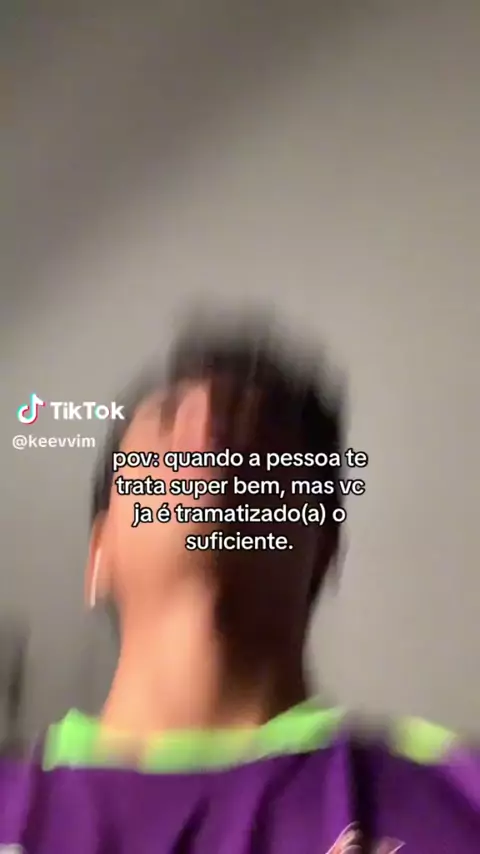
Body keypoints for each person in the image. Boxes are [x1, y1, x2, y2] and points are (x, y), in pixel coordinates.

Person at [1, 317, 479, 852]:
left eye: (263, 440)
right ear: (98, 554)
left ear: (323, 550)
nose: (210, 422)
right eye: (168, 421)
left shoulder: (460, 792)